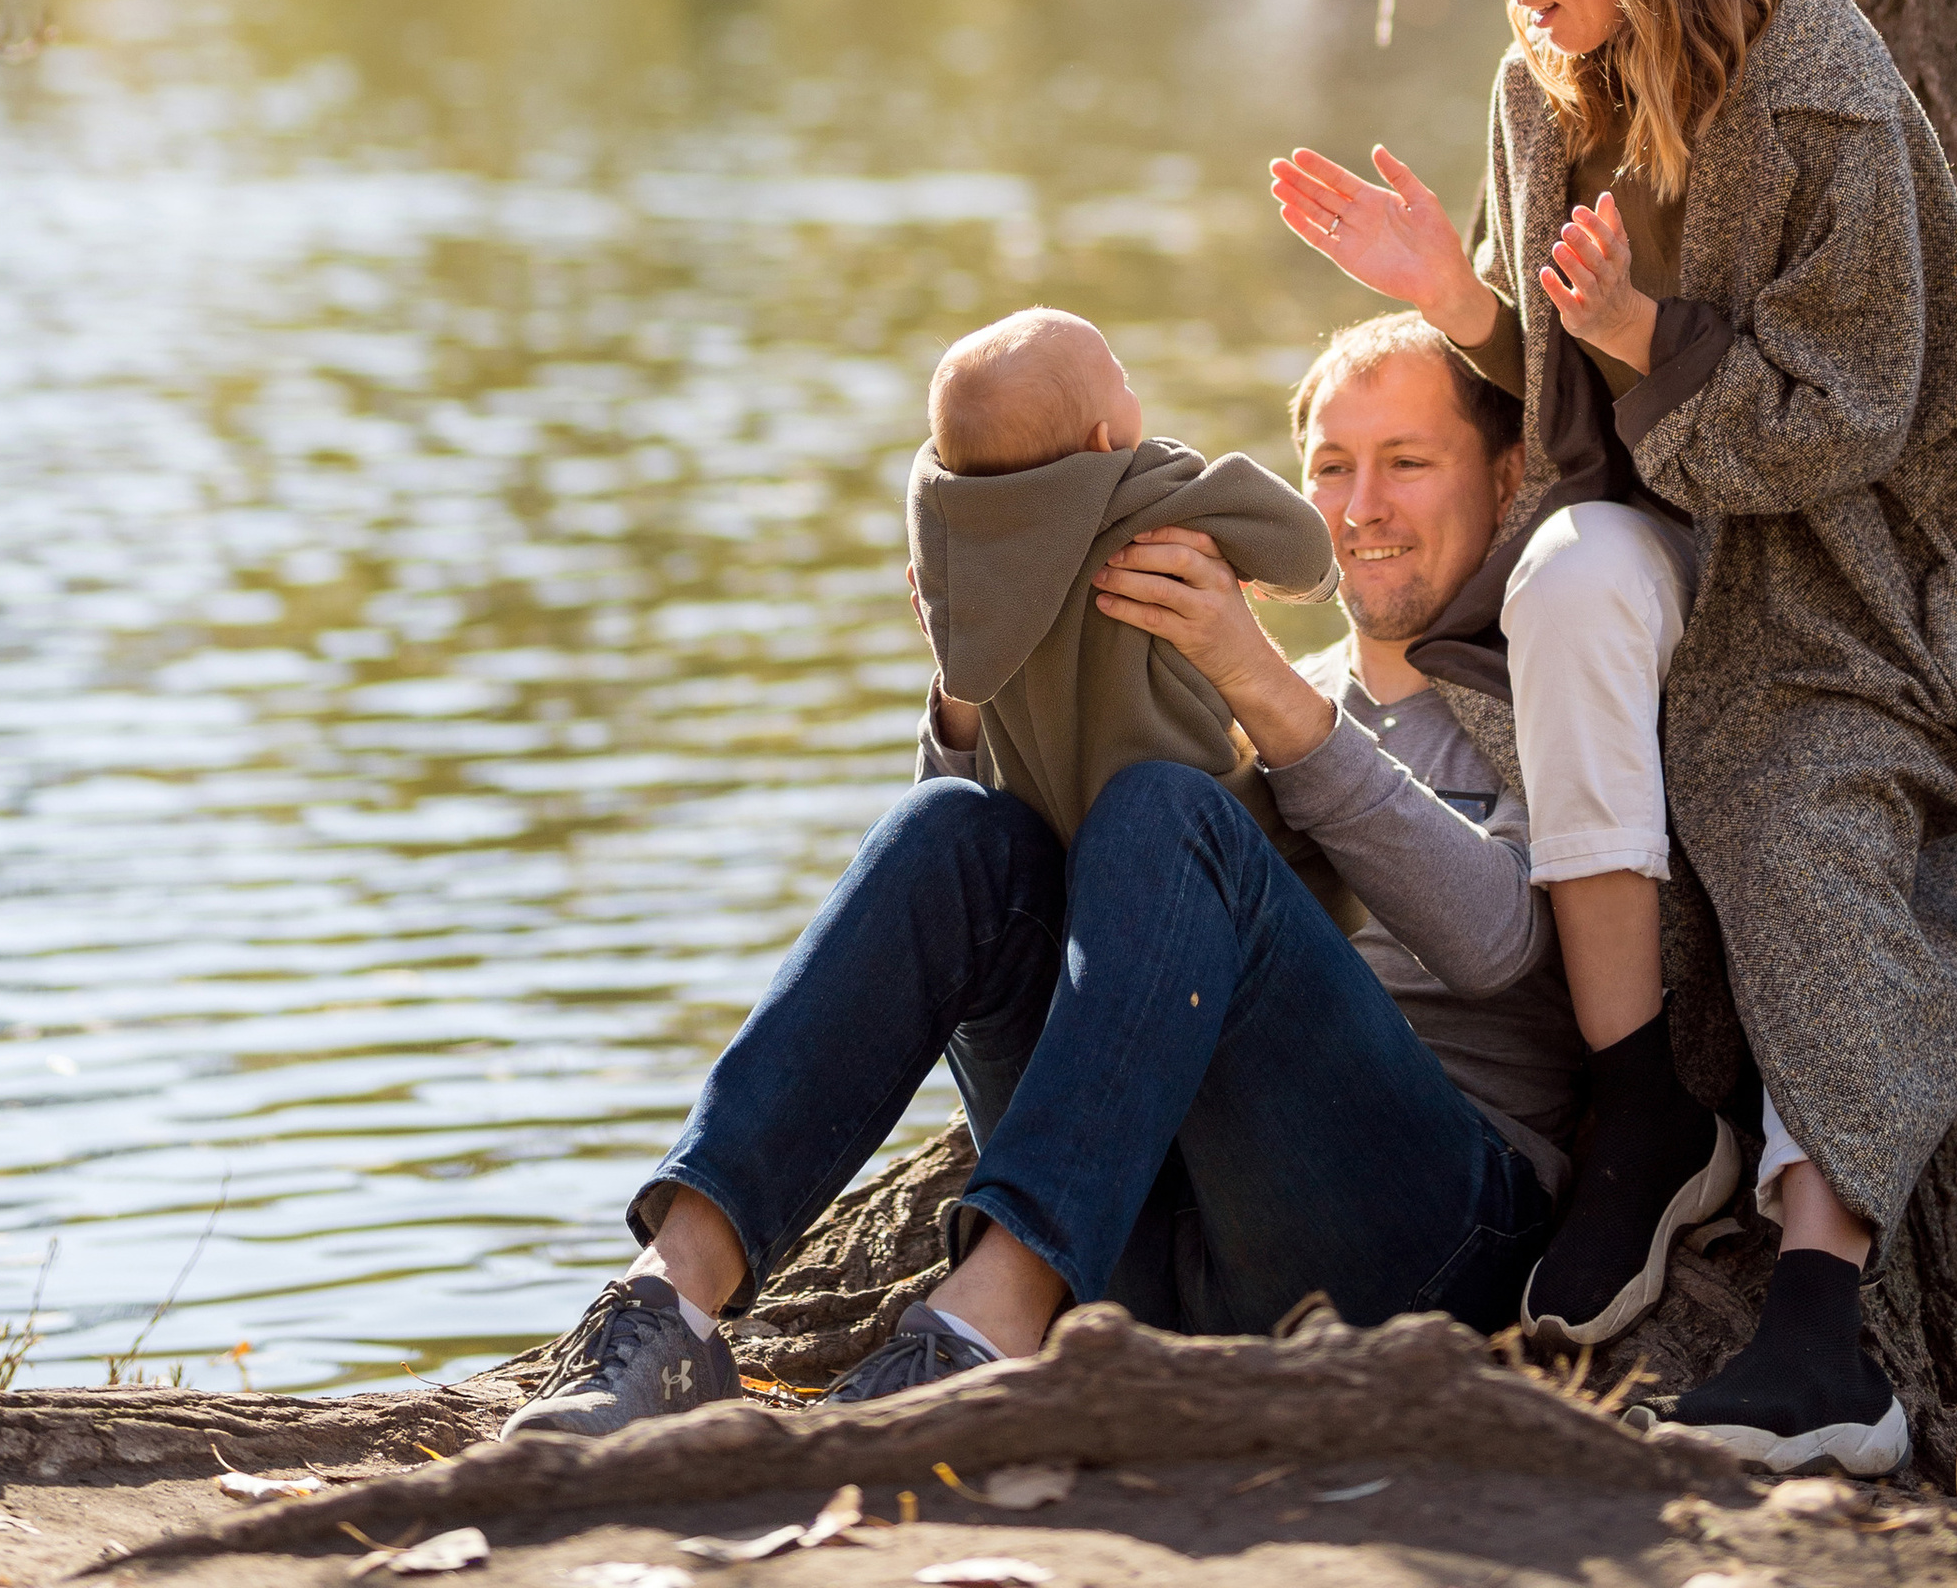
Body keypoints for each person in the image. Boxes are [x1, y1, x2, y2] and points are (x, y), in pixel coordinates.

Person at [1272, 0, 1957, 1478]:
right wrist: (1462, 302)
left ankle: (1821, 1329)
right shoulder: (1543, 87)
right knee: (1562, 583)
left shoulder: (1828, 97)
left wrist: (1642, 332)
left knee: (1795, 803)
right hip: (1670, 536)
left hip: (1865, 575)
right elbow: (1560, 410)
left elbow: (1850, 415)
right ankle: (1639, 1106)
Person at [502, 319, 1583, 1440]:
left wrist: (1257, 680)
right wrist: (977, 677)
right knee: (955, 826)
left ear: (1506, 478)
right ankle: (669, 1305)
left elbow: (1496, 948)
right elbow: (985, 912)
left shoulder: (1537, 684)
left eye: (1407, 462)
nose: (1361, 508)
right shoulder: (1198, 676)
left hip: (1415, 1238)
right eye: (1331, 467)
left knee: (1167, 807)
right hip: (1149, 1238)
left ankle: (986, 1323)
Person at [909, 307, 1341, 876]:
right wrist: (1318, 581)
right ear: (1102, 439)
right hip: (1191, 834)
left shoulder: (958, 564)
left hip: (1047, 854)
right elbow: (1303, 551)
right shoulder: (1152, 495)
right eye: (1123, 380)